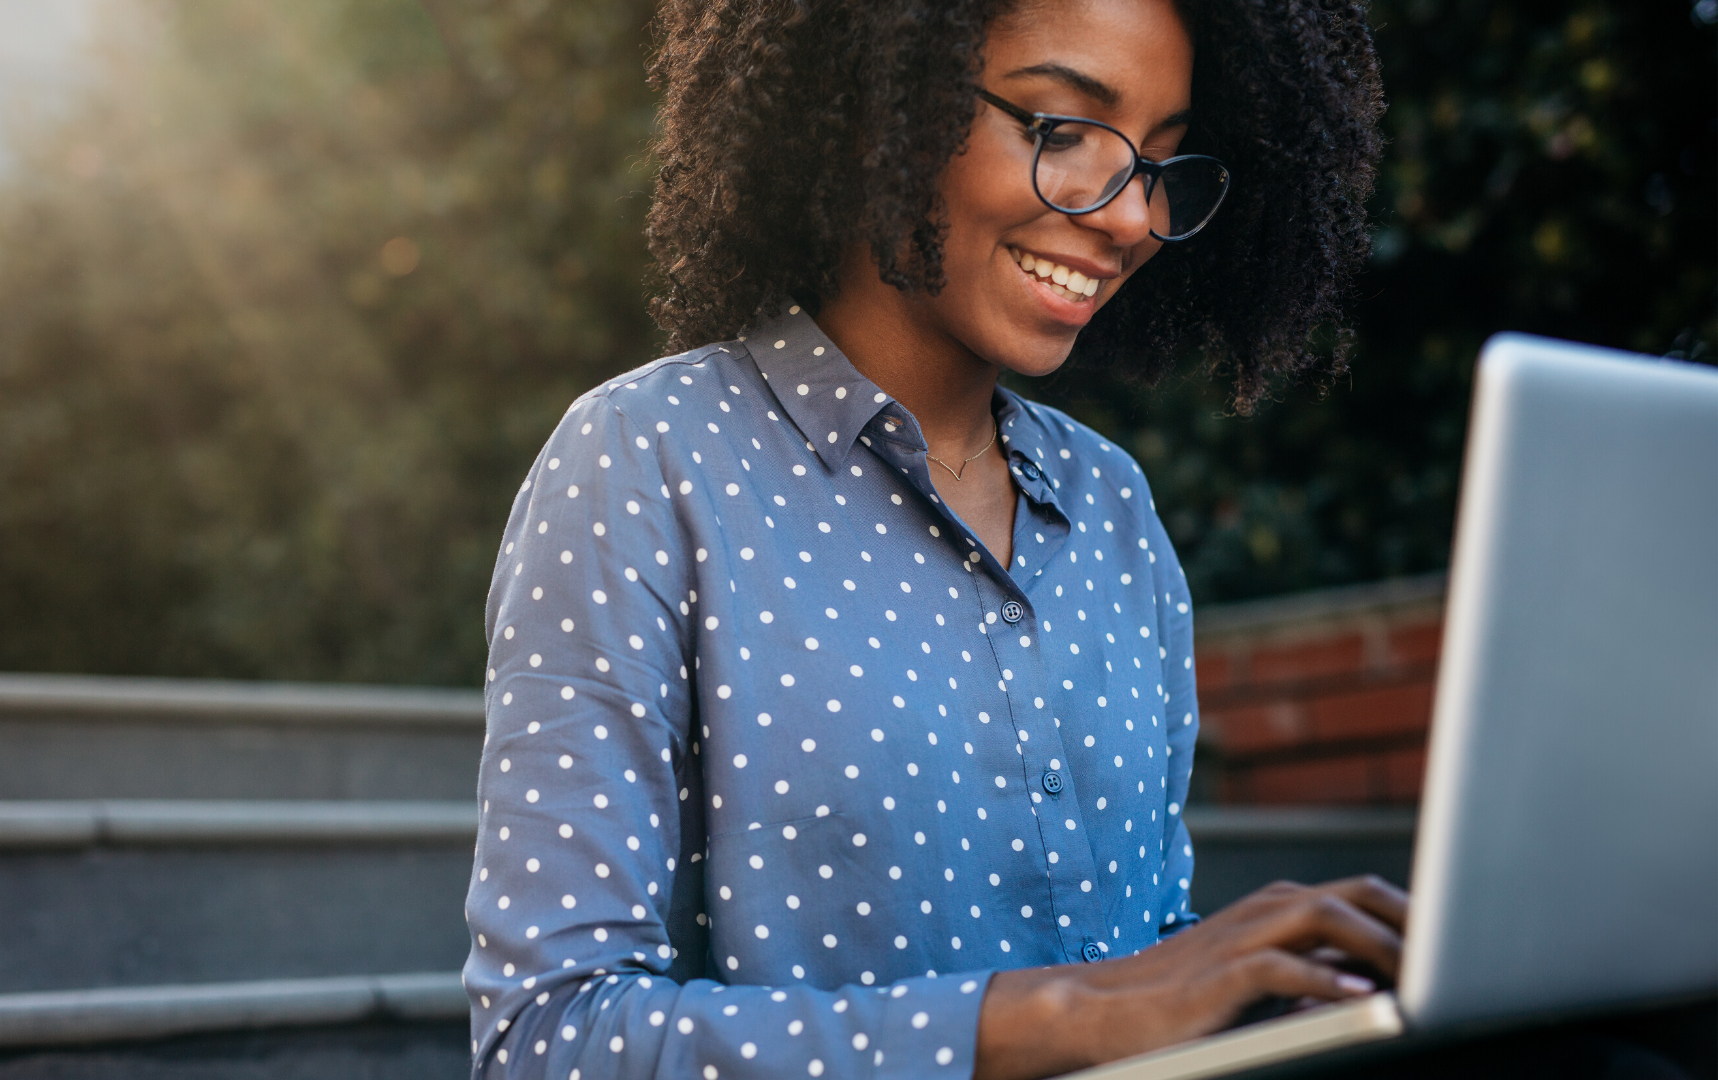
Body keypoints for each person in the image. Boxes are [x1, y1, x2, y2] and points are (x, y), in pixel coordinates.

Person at [466, 0, 1402, 1077]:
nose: (1132, 217)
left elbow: (1146, 970)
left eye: (1161, 163)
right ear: (879, 108)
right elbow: (548, 1040)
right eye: (1061, 130)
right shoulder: (644, 461)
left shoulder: (1112, 508)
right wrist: (1057, 1016)